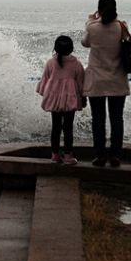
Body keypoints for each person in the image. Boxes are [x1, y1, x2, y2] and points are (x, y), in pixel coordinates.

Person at [82, 0, 131, 167]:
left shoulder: (92, 27)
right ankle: (116, 155)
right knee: (117, 118)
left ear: (99, 9)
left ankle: (100, 155)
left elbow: (85, 43)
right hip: (117, 79)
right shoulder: (121, 26)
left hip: (97, 80)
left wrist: (90, 21)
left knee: (98, 118)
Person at [36, 35, 85, 164]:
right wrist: (83, 98)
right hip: (70, 101)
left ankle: (55, 155)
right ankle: (68, 156)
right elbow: (81, 84)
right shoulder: (77, 64)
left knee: (55, 128)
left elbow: (44, 81)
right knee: (68, 128)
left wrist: (44, 94)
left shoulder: (50, 63)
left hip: (55, 100)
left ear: (55, 49)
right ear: (72, 49)